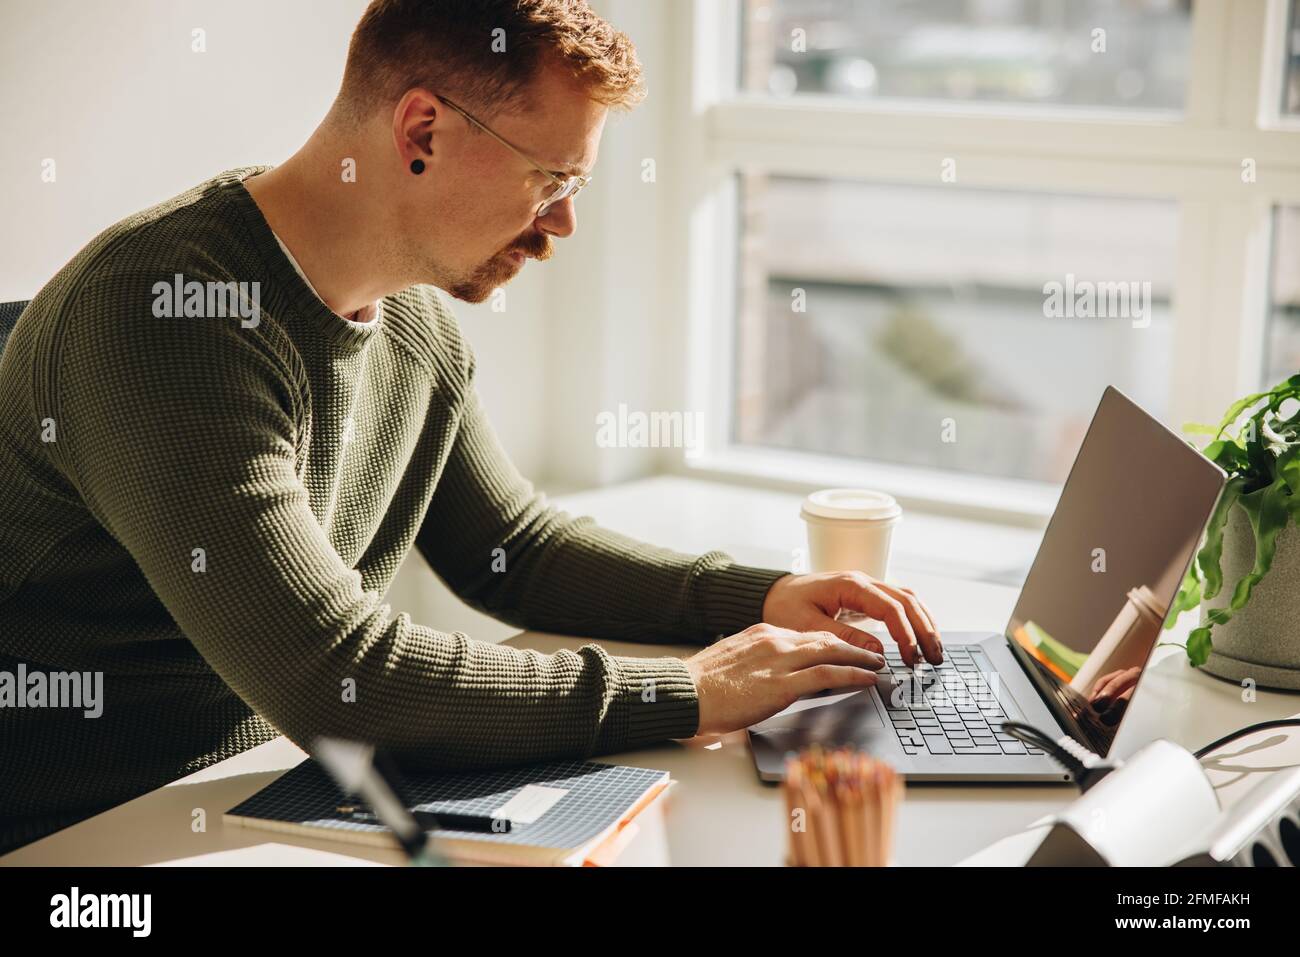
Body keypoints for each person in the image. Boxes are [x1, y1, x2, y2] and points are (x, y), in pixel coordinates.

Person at [0, 0, 941, 855]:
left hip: (263, 797)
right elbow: (339, 676)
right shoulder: (166, 315)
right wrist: (692, 690)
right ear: (422, 131)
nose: (564, 222)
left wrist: (763, 597)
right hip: (80, 833)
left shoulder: (411, 318)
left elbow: (515, 550)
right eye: (551, 177)